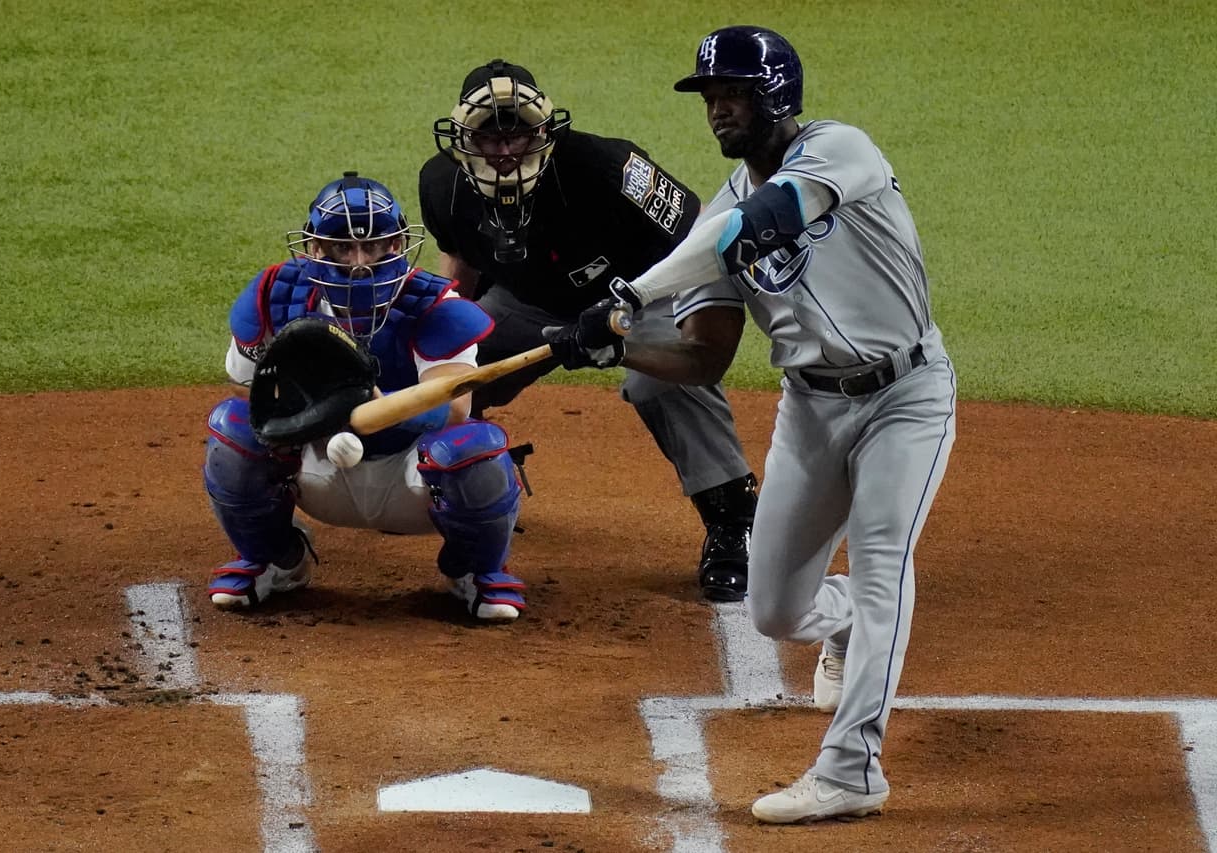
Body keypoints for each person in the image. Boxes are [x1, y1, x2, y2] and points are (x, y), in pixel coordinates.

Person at [544, 26, 957, 823]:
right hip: (811, 409)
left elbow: (761, 225)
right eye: (709, 96)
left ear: (777, 95)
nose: (718, 109)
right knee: (774, 609)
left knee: (883, 569)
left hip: (905, 397)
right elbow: (701, 357)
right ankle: (845, 626)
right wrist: (610, 341)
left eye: (732, 92)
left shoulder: (842, 151)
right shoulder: (719, 213)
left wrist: (626, 299)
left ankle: (851, 771)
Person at [417, 59, 759, 603]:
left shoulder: (606, 167)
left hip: (643, 293)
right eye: (489, 135)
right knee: (448, 368)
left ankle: (733, 524)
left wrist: (632, 317)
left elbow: (700, 241)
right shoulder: (442, 183)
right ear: (463, 137)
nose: (505, 150)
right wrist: (445, 344)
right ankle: (460, 483)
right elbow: (461, 270)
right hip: (530, 302)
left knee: (661, 383)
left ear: (545, 130)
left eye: (519, 133)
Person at [203, 171, 528, 622]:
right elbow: (245, 384)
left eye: (374, 245)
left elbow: (455, 407)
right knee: (233, 427)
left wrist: (374, 402)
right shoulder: (278, 294)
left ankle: (473, 570)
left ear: (396, 244)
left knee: (476, 447)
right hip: (316, 468)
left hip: (409, 475)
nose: (359, 261)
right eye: (342, 246)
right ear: (316, 247)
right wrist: (306, 410)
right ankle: (275, 561)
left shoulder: (434, 306)